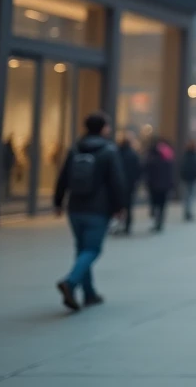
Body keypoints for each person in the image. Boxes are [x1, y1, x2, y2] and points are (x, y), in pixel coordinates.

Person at [52, 112, 125, 311]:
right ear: (102, 128)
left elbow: (63, 177)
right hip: (98, 209)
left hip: (75, 207)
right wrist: (120, 207)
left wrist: (58, 202)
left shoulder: (75, 148)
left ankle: (89, 294)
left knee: (82, 250)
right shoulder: (109, 151)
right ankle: (70, 282)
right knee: (92, 250)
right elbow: (116, 181)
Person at [144, 138, 176, 232]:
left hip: (155, 187)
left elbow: (148, 174)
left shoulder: (152, 161)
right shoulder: (167, 162)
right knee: (161, 205)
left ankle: (157, 221)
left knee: (155, 204)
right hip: (163, 187)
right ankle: (159, 222)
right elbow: (170, 176)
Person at [116, 133, 142, 235]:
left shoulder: (117, 153)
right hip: (130, 184)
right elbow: (138, 170)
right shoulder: (133, 154)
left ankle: (118, 225)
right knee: (129, 206)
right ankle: (127, 226)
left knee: (118, 204)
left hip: (118, 183)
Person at [179, 141, 196, 222]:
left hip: (186, 178)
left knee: (187, 196)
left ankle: (187, 211)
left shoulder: (185, 156)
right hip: (192, 178)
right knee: (190, 196)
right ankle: (188, 212)